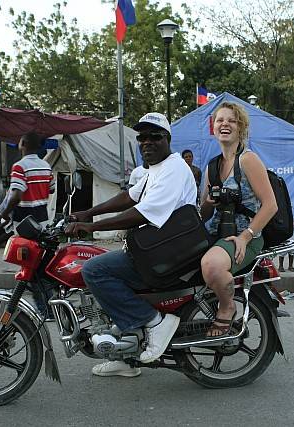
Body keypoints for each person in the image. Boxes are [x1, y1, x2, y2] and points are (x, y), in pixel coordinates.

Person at [65, 112, 197, 377]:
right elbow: (130, 197)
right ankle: (125, 356)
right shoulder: (154, 170)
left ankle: (154, 322)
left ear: (168, 139)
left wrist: (93, 227)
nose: (147, 142)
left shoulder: (174, 168)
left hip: (167, 253)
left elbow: (143, 212)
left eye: (154, 136)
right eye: (142, 137)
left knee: (94, 270)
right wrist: (88, 213)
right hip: (154, 247)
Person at [200, 102, 277, 338]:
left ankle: (227, 307)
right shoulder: (212, 167)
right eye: (220, 120)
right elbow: (203, 214)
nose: (225, 124)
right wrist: (208, 203)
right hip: (218, 234)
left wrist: (245, 237)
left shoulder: (247, 160)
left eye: (231, 121)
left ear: (241, 127)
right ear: (213, 127)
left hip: (245, 236)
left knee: (212, 265)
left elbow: (270, 205)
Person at [0, 132, 55, 230]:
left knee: (21, 240)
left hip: (23, 219)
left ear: (23, 143)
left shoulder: (19, 166)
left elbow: (16, 197)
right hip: (42, 217)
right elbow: (52, 189)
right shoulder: (46, 166)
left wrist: (4, 214)